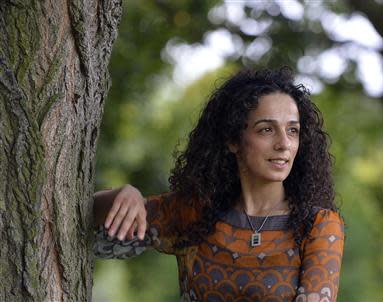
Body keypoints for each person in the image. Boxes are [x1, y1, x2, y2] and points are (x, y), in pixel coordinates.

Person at [93, 67, 345, 302]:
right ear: (233, 140)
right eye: (266, 130)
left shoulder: (318, 226)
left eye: (293, 131)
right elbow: (88, 226)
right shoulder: (196, 214)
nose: (284, 144)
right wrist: (124, 195)